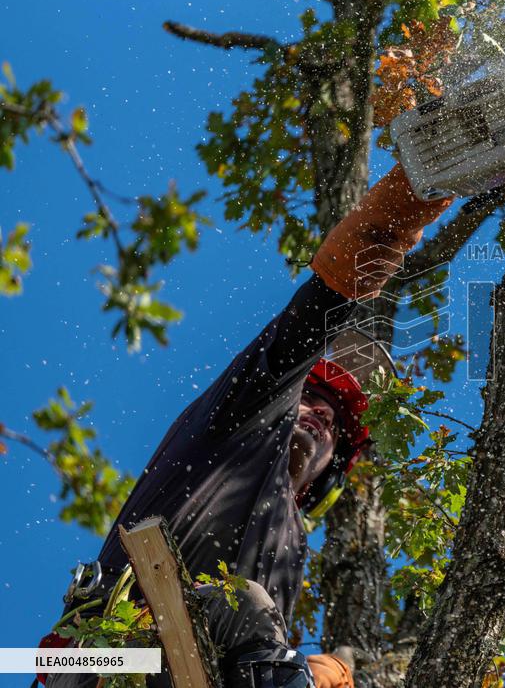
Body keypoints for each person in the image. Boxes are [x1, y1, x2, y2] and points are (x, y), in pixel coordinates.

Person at [41, 164, 454, 688]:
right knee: (248, 608)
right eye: (312, 394)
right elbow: (303, 332)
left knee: (284, 650)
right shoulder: (240, 425)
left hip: (199, 665)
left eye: (337, 422)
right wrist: (408, 201)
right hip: (106, 660)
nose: (323, 413)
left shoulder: (288, 544)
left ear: (333, 470)